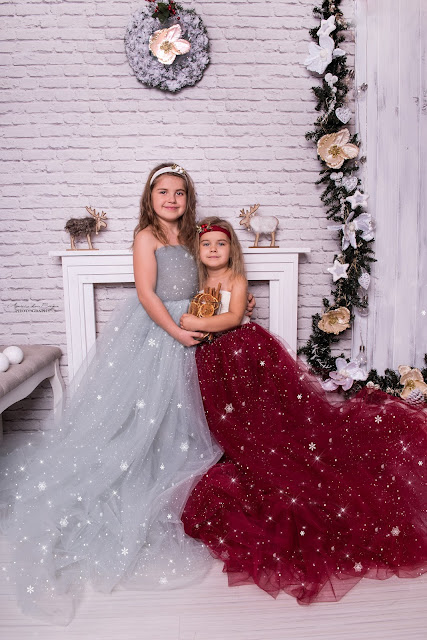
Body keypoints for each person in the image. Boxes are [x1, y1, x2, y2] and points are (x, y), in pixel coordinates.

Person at [0, 164, 231, 625]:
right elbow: (147, 293)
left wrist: (216, 311)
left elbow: (207, 279)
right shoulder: (147, 237)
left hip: (194, 322)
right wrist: (176, 332)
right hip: (158, 329)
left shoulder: (195, 237)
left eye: (179, 192)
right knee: (146, 409)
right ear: (150, 198)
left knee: (188, 405)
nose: (171, 199)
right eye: (163, 192)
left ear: (189, 199)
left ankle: (188, 463)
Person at [180, 216, 427, 605]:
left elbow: (231, 317)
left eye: (220, 244)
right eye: (206, 245)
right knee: (228, 417)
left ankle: (264, 445)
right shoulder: (201, 286)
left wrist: (194, 321)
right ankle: (236, 447)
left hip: (243, 353)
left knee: (264, 415)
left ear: (232, 250)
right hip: (216, 361)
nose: (213, 250)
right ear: (198, 251)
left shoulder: (235, 280)